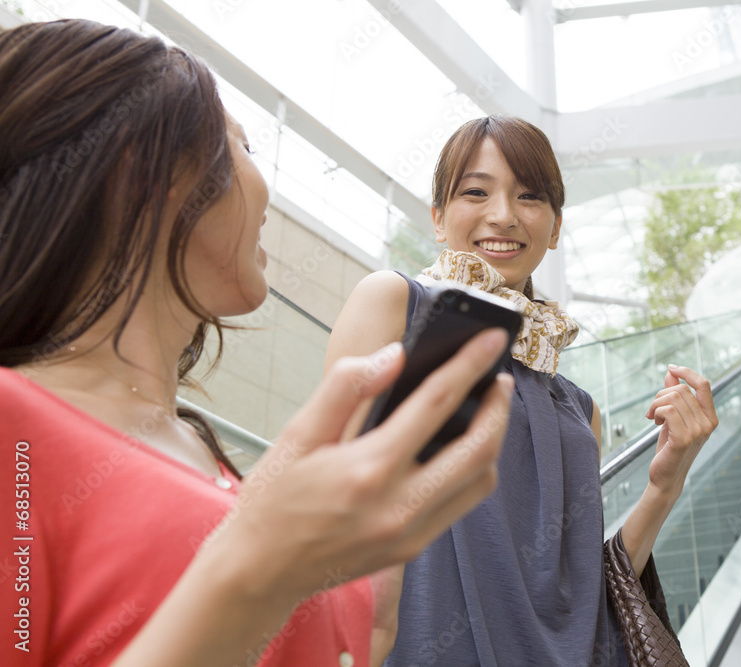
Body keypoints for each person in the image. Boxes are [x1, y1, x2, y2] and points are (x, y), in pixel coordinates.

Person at [0, 20, 514, 667]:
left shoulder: (205, 457)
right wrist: (255, 564)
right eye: (239, 145)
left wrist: (377, 564)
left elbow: (356, 641)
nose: (263, 188)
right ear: (141, 171)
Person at [325, 115, 719, 665]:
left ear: (555, 228)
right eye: (476, 192)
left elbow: (582, 588)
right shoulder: (396, 305)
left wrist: (666, 482)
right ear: (438, 218)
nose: (503, 215)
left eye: (529, 196)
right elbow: (324, 500)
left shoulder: (577, 406)